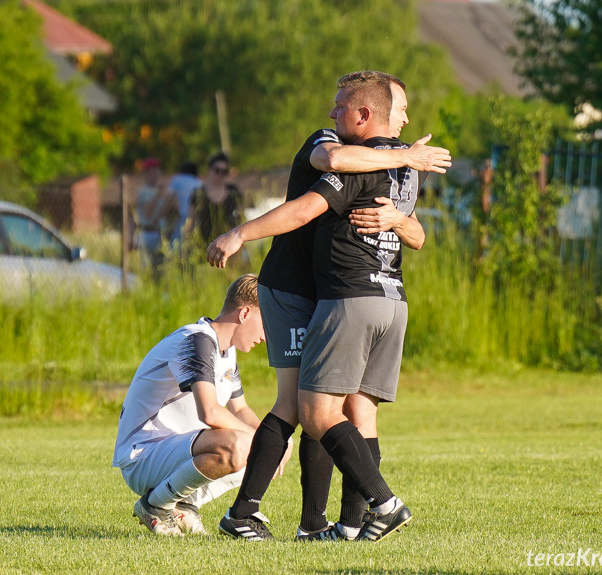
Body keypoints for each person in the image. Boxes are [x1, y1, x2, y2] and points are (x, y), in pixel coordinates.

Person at [209, 72, 450, 541]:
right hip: (294, 288)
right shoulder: (334, 143)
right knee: (301, 403)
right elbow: (329, 168)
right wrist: (239, 233)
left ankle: (344, 523)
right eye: (400, 112)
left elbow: (417, 235)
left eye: (339, 105)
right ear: (373, 116)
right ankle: (264, 517)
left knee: (336, 408)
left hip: (340, 294)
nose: (404, 123)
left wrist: (398, 214)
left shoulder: (388, 166)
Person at [112, 274, 270, 536]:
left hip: (173, 452)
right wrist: (260, 439)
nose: (266, 336)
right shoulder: (197, 340)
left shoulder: (226, 349)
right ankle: (155, 505)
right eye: (266, 324)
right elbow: (209, 412)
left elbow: (241, 409)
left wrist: (274, 440)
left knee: (266, 448)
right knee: (241, 445)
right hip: (142, 455)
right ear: (244, 313)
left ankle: (184, 505)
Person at [188, 152, 244, 248]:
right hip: (204, 246)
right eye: (217, 170)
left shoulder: (233, 192)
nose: (220, 174)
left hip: (230, 246)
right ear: (209, 170)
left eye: (224, 171)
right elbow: (190, 221)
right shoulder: (198, 194)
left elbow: (241, 218)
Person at [133, 157, 176, 272]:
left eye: (157, 170)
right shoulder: (144, 191)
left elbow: (165, 213)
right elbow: (147, 214)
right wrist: (159, 194)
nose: (155, 174)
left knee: (161, 268)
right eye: (151, 171)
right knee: (145, 269)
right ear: (146, 173)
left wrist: (169, 199)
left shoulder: (163, 190)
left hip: (160, 233)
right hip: (147, 233)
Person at [167, 160, 203, 247]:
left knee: (175, 245)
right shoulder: (199, 183)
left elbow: (170, 198)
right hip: (196, 219)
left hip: (181, 217)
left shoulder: (177, 180)